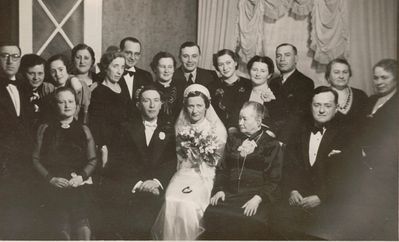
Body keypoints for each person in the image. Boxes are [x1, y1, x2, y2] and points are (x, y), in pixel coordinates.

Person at [271, 86, 356, 240]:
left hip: (331, 202)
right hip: (300, 200)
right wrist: (293, 190)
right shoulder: (299, 131)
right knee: (276, 222)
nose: (321, 110)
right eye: (317, 105)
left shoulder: (347, 134)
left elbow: (349, 176)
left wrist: (321, 197)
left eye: (327, 106)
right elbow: (290, 165)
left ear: (336, 109)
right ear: (311, 106)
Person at [152, 84, 227, 240]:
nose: (195, 110)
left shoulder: (216, 129)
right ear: (185, 107)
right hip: (184, 172)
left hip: (205, 174)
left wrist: (202, 154)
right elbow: (178, 158)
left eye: (199, 105)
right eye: (191, 106)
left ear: (207, 106)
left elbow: (218, 162)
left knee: (189, 204)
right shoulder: (180, 127)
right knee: (171, 198)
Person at [101, 86, 176, 239]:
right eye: (146, 101)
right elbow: (119, 161)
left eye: (156, 101)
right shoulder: (125, 128)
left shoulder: (169, 130)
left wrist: (156, 181)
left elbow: (171, 162)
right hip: (132, 185)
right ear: (138, 105)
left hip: (158, 187)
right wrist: (139, 183)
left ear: (162, 104)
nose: (152, 105)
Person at [204, 101, 283, 240]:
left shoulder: (271, 144)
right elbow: (223, 169)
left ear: (258, 121)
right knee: (212, 212)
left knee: (253, 221)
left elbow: (274, 179)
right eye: (239, 118)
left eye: (244, 119)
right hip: (231, 194)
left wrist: (258, 198)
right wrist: (220, 189)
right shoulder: (234, 140)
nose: (240, 122)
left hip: (257, 196)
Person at [32, 87, 97, 240]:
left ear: (76, 105)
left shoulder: (84, 129)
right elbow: (35, 159)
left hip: (78, 184)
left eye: (70, 101)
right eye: (62, 102)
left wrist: (81, 177)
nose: (67, 105)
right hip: (53, 184)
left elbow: (93, 160)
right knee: (61, 227)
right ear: (55, 105)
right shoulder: (45, 128)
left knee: (83, 223)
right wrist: (51, 178)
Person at [356, 59, 398, 240]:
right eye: (375, 77)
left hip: (389, 167)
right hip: (365, 166)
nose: (379, 81)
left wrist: (372, 153)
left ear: (396, 78)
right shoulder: (371, 100)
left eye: (384, 77)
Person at [0, 43, 36, 239]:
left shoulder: (24, 85)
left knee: (23, 217)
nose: (10, 61)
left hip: (24, 163)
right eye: (5, 56)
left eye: (15, 56)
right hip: (3, 164)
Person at [88, 50, 129, 166]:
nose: (119, 71)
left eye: (122, 67)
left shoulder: (122, 86)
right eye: (115, 66)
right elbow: (96, 124)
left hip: (126, 141)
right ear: (106, 68)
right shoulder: (99, 91)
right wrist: (103, 147)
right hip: (110, 146)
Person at [268, 43, 314, 144]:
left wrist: (279, 139)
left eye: (287, 55)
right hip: (270, 136)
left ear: (296, 59)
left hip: (290, 139)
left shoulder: (305, 82)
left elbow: (297, 116)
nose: (282, 59)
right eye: (278, 56)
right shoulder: (273, 82)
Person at [210, 49, 252, 129]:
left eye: (228, 63)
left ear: (235, 63)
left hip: (243, 130)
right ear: (217, 67)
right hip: (218, 130)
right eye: (220, 64)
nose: (225, 68)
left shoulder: (248, 85)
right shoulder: (211, 87)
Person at [325, 58, 368, 129]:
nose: (341, 76)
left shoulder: (360, 95)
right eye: (336, 72)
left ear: (349, 75)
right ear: (328, 76)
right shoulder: (321, 96)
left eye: (345, 72)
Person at [47, 54, 90, 123]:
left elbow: (85, 110)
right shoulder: (49, 88)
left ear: (67, 68)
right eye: (53, 71)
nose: (57, 74)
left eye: (61, 69)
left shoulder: (78, 84)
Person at [119, 37, 153, 117]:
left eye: (136, 54)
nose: (132, 57)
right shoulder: (111, 75)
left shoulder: (146, 76)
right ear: (120, 52)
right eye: (128, 53)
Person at [19, 54, 55, 129]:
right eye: (31, 73)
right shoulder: (18, 91)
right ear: (23, 73)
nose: (36, 78)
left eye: (40, 73)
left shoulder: (48, 88)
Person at [150, 51, 184, 123]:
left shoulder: (182, 88)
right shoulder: (149, 89)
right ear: (155, 69)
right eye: (162, 67)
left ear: (174, 69)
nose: (166, 71)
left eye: (170, 67)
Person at [246, 55, 276, 129]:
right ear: (249, 71)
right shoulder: (242, 92)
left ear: (269, 75)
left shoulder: (275, 96)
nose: (257, 74)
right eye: (254, 70)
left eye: (263, 71)